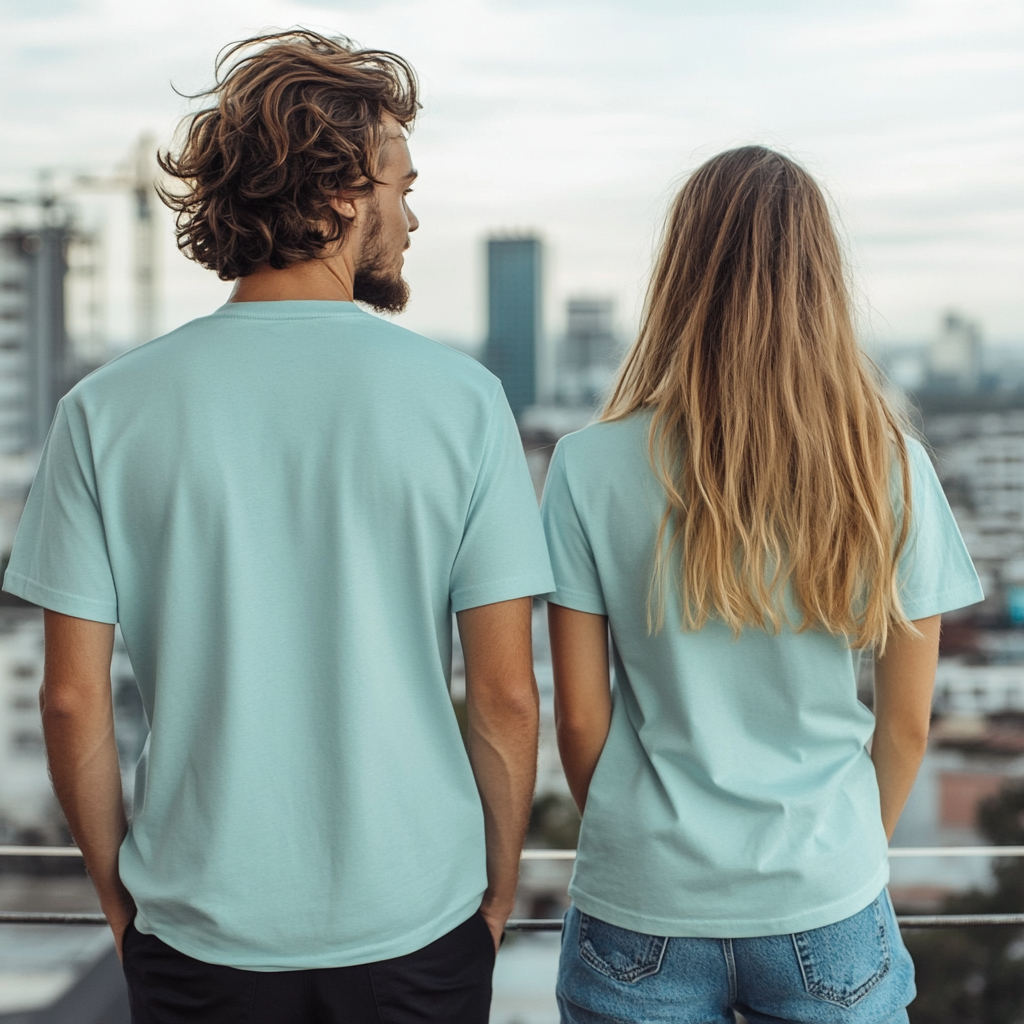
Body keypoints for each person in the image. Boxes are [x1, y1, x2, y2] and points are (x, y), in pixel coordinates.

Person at [3, 30, 553, 1024]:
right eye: (401, 186)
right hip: (416, 925)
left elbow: (74, 701)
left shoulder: (104, 409)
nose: (412, 216)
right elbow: (507, 693)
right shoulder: (464, 402)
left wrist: (122, 906)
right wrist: (499, 890)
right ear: (341, 193)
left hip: (198, 932)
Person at [540, 146, 983, 1024]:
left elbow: (582, 720)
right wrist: (842, 856)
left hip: (642, 900)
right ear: (821, 278)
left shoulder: (586, 466)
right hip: (826, 891)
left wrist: (649, 852)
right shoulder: (888, 467)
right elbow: (903, 723)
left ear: (679, 274)